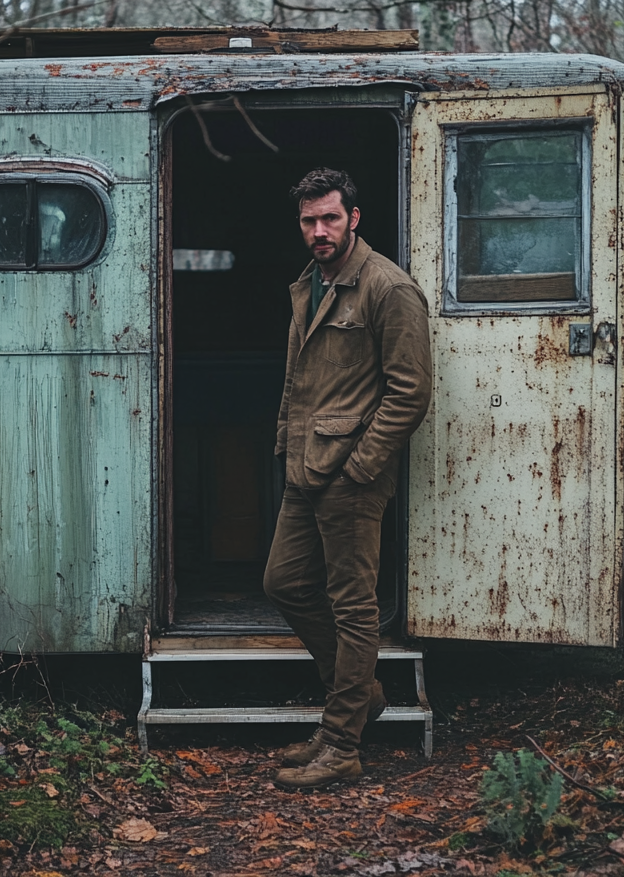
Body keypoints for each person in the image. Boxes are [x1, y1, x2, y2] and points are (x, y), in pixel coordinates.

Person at [264, 167, 432, 790]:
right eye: (309, 220)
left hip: (352, 476)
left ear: (353, 218)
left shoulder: (388, 288)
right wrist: (287, 447)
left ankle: (341, 743)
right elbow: (297, 381)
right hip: (305, 469)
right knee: (283, 582)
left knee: (353, 605)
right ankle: (358, 698)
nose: (319, 231)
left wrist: (363, 466)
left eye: (330, 218)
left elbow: (410, 393)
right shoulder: (311, 285)